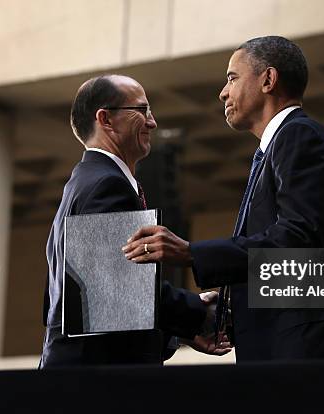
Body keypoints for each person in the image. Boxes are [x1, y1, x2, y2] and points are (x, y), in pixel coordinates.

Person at [123, 36, 324, 362]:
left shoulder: (298, 136)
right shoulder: (280, 145)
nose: (223, 92)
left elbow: (298, 240)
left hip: (320, 353)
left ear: (268, 79)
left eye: (233, 78)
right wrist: (227, 304)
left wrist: (192, 253)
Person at [40, 75, 230, 368]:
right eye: (142, 111)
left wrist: (180, 334)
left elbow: (112, 306)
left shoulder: (83, 182)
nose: (152, 123)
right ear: (106, 119)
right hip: (92, 385)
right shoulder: (105, 185)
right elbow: (118, 290)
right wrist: (199, 313)